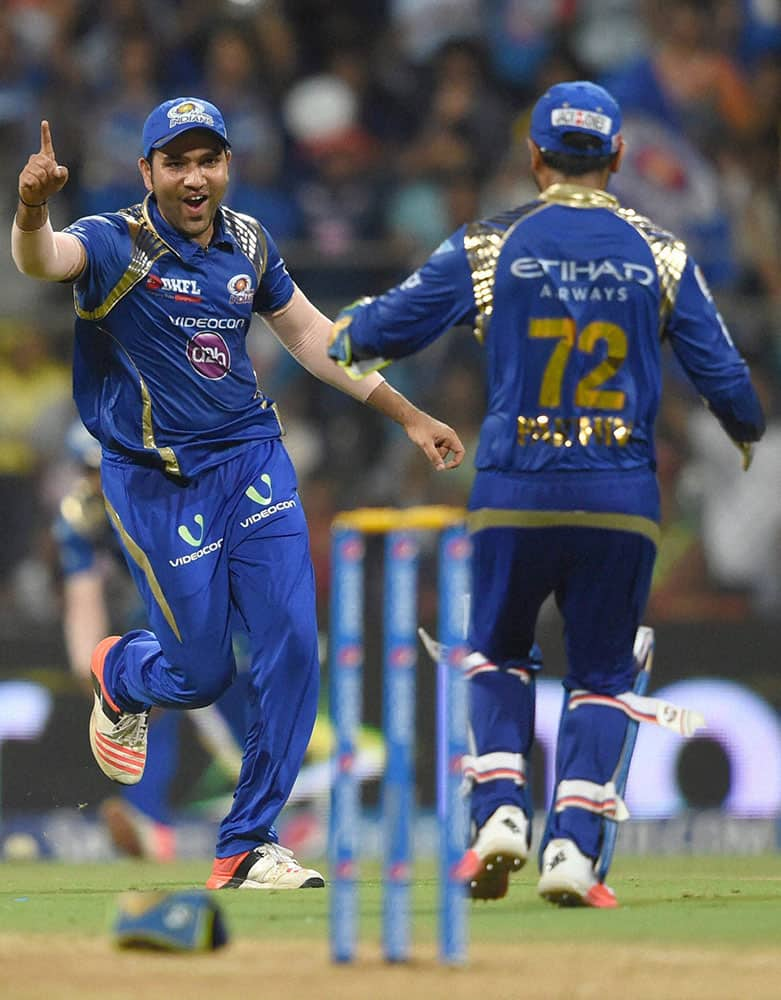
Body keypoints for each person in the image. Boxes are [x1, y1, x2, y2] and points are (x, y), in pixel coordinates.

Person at [328, 81, 765, 907]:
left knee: (492, 651)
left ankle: (498, 814)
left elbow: (383, 330)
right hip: (620, 496)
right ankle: (572, 847)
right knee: (602, 672)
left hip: (513, 489)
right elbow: (728, 383)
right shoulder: (660, 252)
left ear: (532, 158)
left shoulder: (492, 244)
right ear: (618, 158)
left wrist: (347, 333)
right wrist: (744, 433)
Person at [12, 97, 464, 890]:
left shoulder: (248, 240)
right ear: (147, 171)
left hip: (252, 460)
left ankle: (246, 842)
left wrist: (408, 415)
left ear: (227, 165)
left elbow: (315, 338)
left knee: (293, 640)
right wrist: (30, 207)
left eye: (208, 160)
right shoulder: (113, 243)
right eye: (176, 163)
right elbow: (42, 261)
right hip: (156, 482)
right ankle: (123, 674)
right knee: (201, 674)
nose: (195, 177)